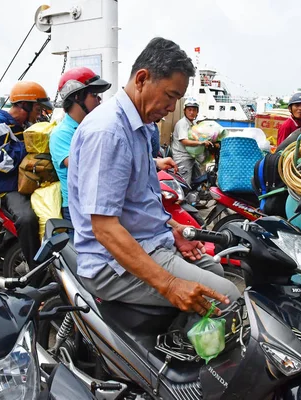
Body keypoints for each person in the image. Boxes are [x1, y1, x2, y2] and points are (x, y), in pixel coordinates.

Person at [68, 37, 240, 315]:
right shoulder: (109, 132)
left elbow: (137, 204)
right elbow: (104, 228)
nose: (173, 108)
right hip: (110, 264)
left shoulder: (140, 126)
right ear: (142, 79)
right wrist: (170, 285)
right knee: (226, 296)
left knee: (215, 267)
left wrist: (173, 230)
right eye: (171, 96)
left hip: (148, 241)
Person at [0, 81, 52, 268]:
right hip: (8, 189)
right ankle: (35, 267)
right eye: (37, 108)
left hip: (28, 184)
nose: (39, 113)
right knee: (27, 219)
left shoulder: (26, 125)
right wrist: (25, 160)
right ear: (24, 105)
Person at [50, 67, 111, 222]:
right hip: (77, 208)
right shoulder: (61, 134)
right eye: (94, 95)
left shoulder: (91, 129)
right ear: (77, 97)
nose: (99, 100)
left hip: (98, 203)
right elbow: (86, 166)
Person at [171, 97, 209, 185]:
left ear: (197, 112)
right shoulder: (182, 123)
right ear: (185, 111)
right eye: (189, 110)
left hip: (191, 157)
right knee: (185, 185)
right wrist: (201, 143)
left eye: (194, 110)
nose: (191, 112)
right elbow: (184, 141)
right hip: (182, 158)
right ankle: (184, 198)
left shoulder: (193, 124)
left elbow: (198, 136)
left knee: (198, 180)